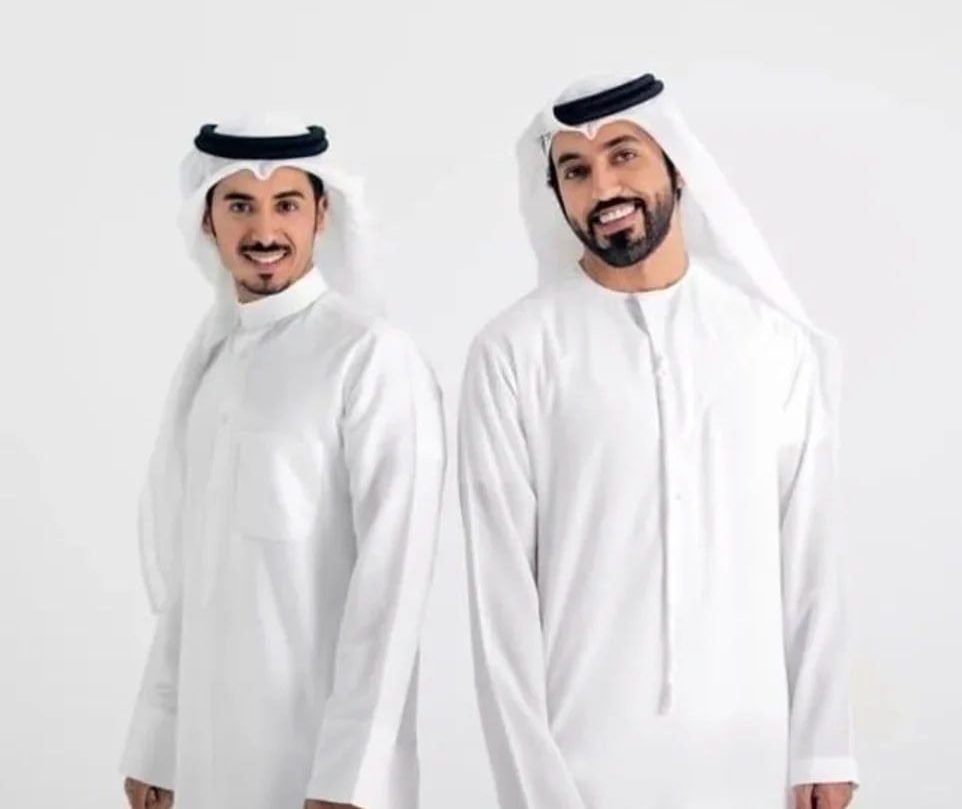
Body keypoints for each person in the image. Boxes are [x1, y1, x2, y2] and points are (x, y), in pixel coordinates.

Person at [457, 72, 858, 809]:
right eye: (575, 170)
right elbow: (500, 603)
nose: (602, 186)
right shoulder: (513, 351)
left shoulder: (771, 343)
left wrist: (823, 748)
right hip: (580, 767)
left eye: (623, 155)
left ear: (676, 166)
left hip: (756, 760)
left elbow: (809, 560)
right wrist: (535, 789)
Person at [119, 116, 445, 809]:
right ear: (207, 220)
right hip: (208, 758)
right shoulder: (212, 363)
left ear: (322, 214)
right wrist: (157, 741)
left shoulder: (370, 356)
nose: (264, 230)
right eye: (240, 204)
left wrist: (351, 778)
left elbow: (393, 583)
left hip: (318, 767)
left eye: (287, 204)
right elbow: (192, 577)